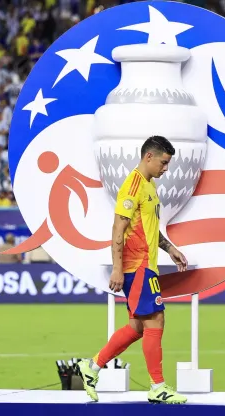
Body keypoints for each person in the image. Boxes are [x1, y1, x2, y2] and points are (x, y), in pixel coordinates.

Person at [77, 136, 189, 404]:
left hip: (145, 265)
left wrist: (169, 248)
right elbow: (119, 227)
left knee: (138, 326)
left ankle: (91, 367)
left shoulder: (150, 186)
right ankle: (157, 386)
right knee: (156, 319)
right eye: (163, 162)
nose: (166, 169)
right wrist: (117, 268)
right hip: (136, 267)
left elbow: (149, 227)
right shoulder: (134, 184)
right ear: (148, 157)